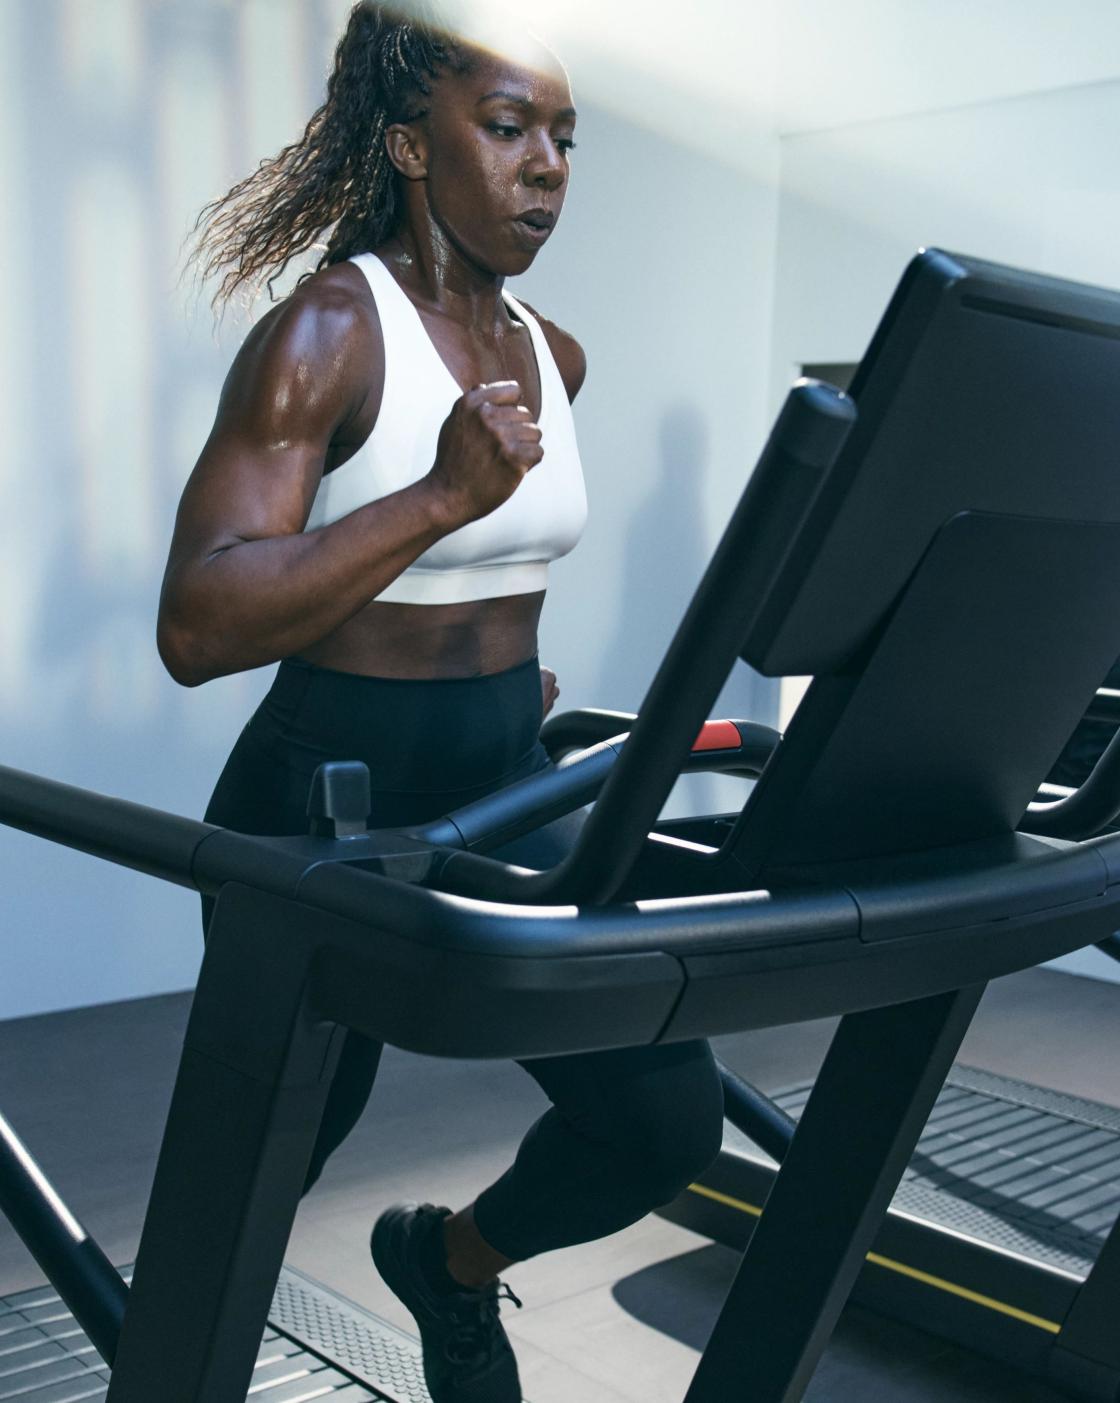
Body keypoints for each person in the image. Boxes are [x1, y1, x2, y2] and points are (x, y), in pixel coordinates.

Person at [157, 5, 724, 1399]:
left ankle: (451, 1268)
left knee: (663, 1121)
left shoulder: (556, 355)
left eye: (566, 138)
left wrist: (495, 665)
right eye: (508, 127)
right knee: (273, 1160)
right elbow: (201, 621)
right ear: (413, 145)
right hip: (322, 803)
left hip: (501, 781)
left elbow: (505, 560)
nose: (547, 167)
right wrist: (436, 500)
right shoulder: (330, 332)